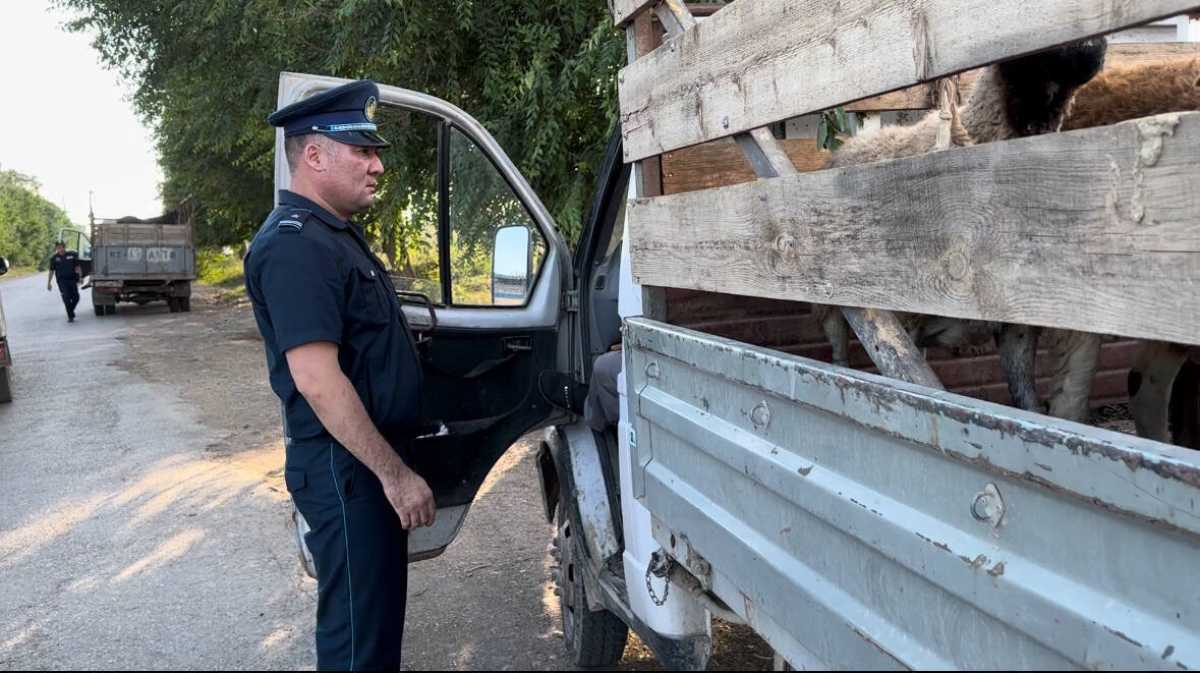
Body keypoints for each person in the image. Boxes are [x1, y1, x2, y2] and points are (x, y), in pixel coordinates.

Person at [244, 79, 433, 671]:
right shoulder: (297, 246)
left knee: (371, 635)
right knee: (358, 647)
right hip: (346, 470)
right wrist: (396, 477)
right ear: (315, 155)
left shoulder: (331, 235)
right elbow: (318, 380)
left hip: (354, 466)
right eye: (363, 151)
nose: (377, 166)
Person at [46, 241, 81, 322]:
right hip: (62, 281)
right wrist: (49, 283)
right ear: (56, 249)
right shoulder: (54, 258)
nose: (60, 249)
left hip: (72, 279)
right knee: (66, 297)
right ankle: (70, 316)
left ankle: (71, 311)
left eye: (61, 247)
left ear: (64, 247)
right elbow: (51, 271)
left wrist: (80, 277)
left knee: (76, 297)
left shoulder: (72, 255)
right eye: (58, 248)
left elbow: (78, 267)